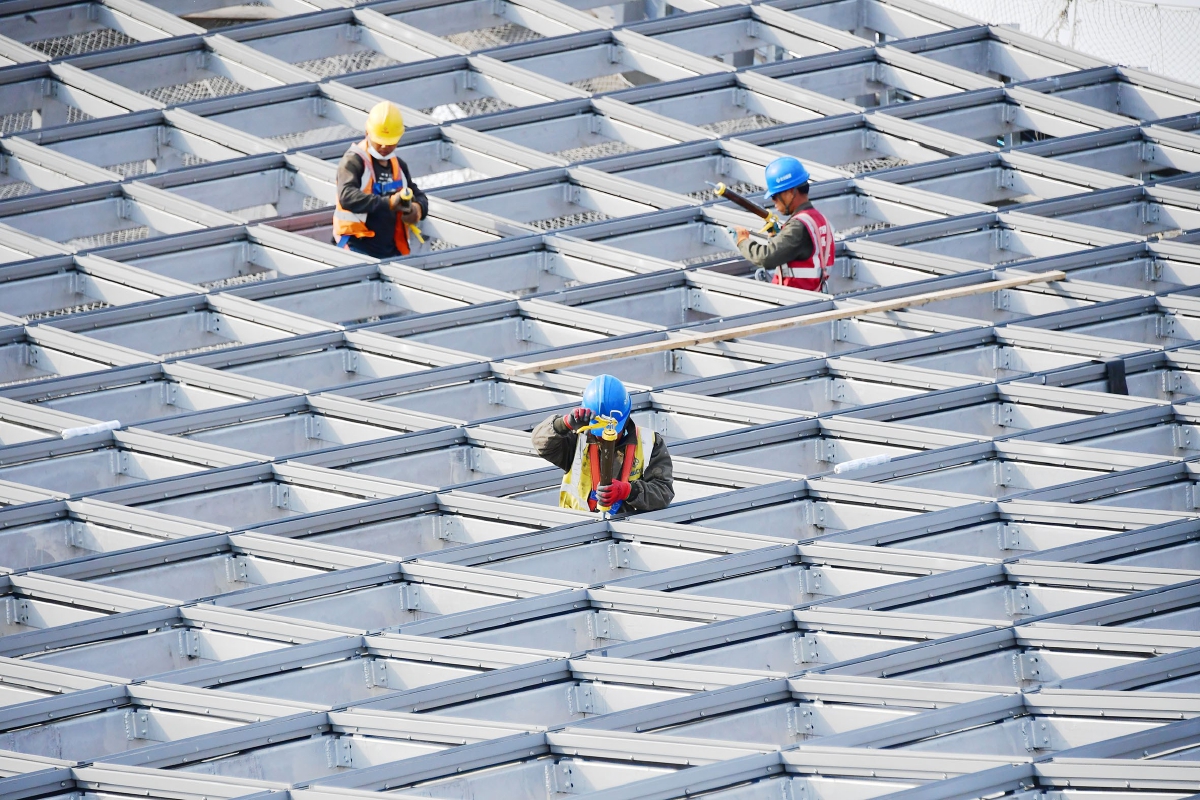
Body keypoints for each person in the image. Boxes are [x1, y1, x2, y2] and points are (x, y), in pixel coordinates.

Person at [532, 374, 674, 514]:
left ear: (625, 420)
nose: (605, 437)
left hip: (629, 531)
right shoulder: (577, 440)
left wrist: (628, 491)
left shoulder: (649, 443)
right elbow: (540, 442)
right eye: (599, 432)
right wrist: (564, 423)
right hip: (578, 528)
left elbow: (664, 492)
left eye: (612, 431)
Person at [332, 100, 428, 259]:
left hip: (390, 250)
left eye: (389, 143)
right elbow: (346, 196)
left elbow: (419, 196)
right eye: (379, 141)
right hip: (357, 247)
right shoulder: (354, 161)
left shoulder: (399, 166)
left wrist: (417, 210)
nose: (384, 147)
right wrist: (388, 203)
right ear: (367, 133)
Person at [734, 156, 834, 292]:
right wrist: (776, 236)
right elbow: (799, 253)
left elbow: (766, 257)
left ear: (790, 192)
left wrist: (743, 241)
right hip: (814, 295)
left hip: (794, 302)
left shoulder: (798, 227)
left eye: (775, 196)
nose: (774, 202)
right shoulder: (818, 219)